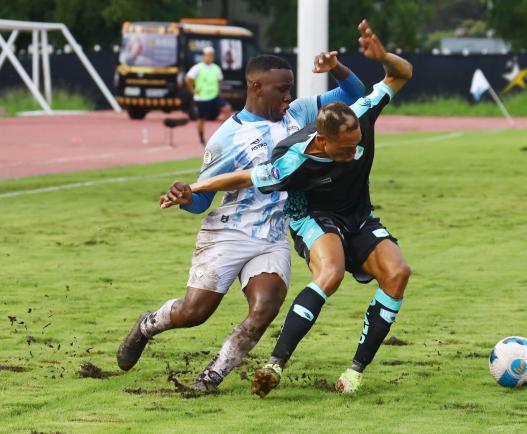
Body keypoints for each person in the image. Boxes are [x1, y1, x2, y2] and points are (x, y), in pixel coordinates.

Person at [172, 20, 413, 396]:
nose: (355, 153)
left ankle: (354, 373)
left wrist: (380, 57)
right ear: (321, 143)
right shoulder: (293, 160)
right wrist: (194, 188)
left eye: (358, 144)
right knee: (330, 273)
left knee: (398, 273)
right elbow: (242, 178)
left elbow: (399, 75)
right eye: (345, 149)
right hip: (312, 218)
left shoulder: (360, 114)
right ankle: (275, 364)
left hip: (358, 216)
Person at [117, 40, 366, 394]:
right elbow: (202, 201)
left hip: (273, 236)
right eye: (282, 89)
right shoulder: (227, 139)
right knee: (194, 313)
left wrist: (337, 68)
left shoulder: (299, 113)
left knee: (266, 305)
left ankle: (209, 380)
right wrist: (187, 196)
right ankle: (147, 326)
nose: (288, 96)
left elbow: (355, 93)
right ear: (256, 87)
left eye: (290, 89)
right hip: (228, 232)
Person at [185, 46, 233, 146]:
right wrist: (192, 90)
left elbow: (220, 81)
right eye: (207, 55)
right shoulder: (198, 67)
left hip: (214, 96)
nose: (209, 57)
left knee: (227, 108)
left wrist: (219, 91)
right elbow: (188, 79)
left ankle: (224, 134)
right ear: (203, 56)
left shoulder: (216, 68)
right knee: (201, 119)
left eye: (211, 56)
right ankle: (201, 138)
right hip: (201, 98)